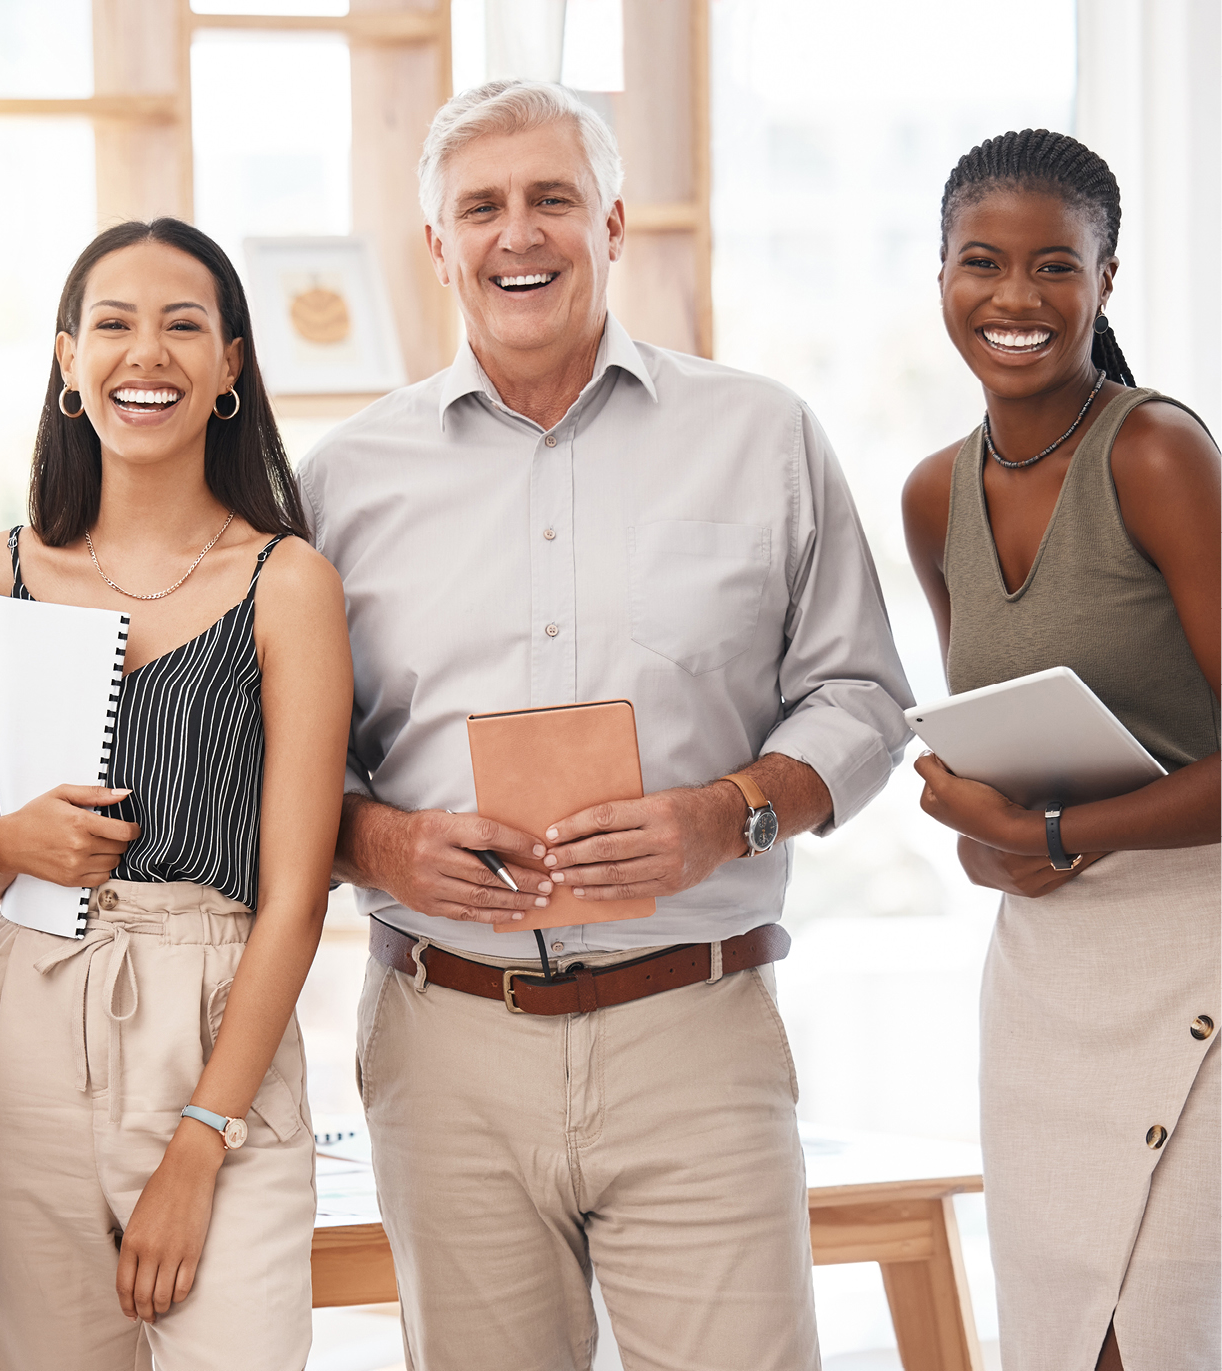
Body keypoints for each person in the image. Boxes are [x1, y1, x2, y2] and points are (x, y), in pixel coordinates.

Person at [297, 80, 917, 1370]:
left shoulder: (760, 436)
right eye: (481, 208)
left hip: (693, 1032)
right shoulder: (341, 483)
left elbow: (859, 694)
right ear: (436, 246)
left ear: (612, 222)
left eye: (550, 200)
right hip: (444, 1041)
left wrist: (724, 813)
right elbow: (294, 760)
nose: (516, 234)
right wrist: (379, 848)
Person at [0, 218, 350, 1370]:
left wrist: (199, 1139)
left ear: (229, 367)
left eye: (183, 326)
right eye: (112, 325)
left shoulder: (285, 582)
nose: (145, 354)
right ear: (67, 361)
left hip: (214, 1025)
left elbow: (296, 897)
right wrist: (2, 842)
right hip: (19, 1028)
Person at [900, 129, 1219, 1371]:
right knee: (1056, 1342)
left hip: (1192, 952)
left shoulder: (1153, 455)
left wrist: (1048, 834)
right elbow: (1004, 759)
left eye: (1054, 267)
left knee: (1161, 1340)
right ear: (937, 275)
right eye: (980, 262)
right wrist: (989, 843)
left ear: (1105, 279)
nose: (1015, 299)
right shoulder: (932, 494)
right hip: (1043, 975)